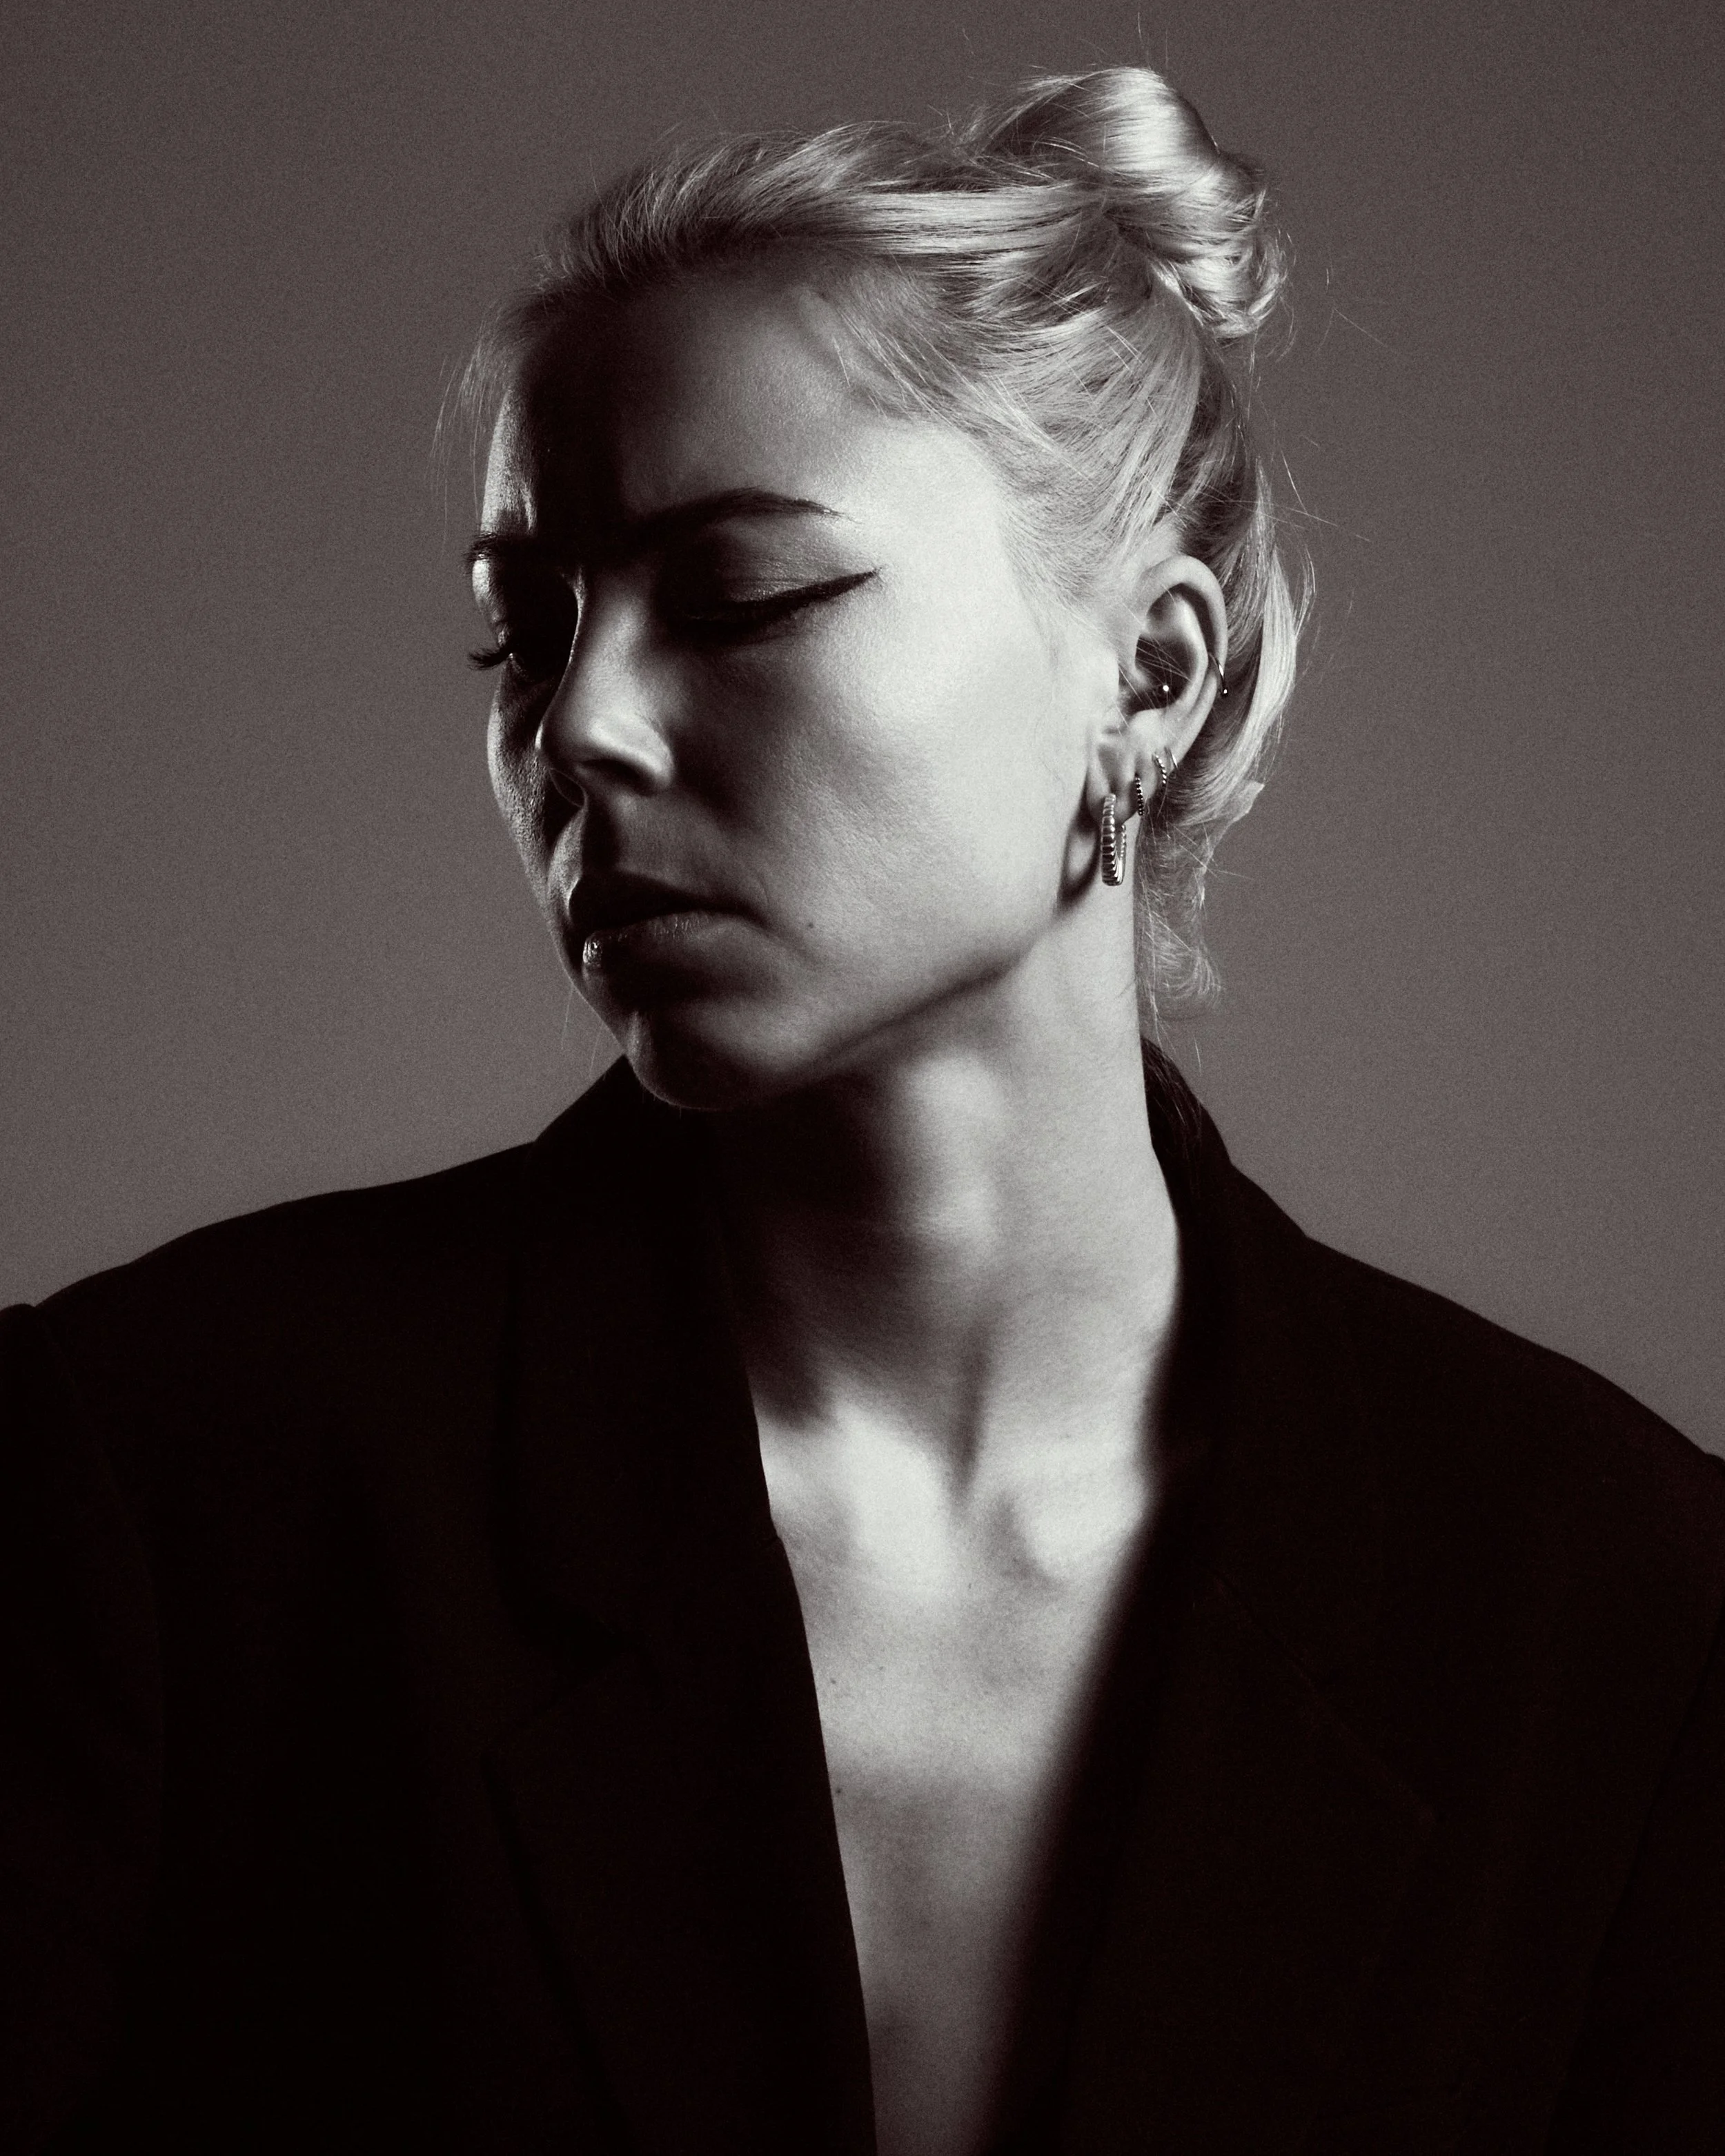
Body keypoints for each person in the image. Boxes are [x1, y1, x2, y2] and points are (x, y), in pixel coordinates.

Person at [3, 62, 1722, 2156]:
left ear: (1148, 674)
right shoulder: (166, 1476)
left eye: (740, 597)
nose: (588, 726)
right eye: (524, 633)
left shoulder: (1601, 1597)